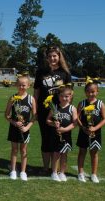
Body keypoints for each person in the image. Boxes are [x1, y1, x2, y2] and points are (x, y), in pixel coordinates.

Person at [34, 46, 71, 174]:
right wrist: (35, 110)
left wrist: (67, 110)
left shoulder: (65, 73)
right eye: (50, 56)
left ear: (59, 56)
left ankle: (59, 170)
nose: (52, 58)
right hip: (44, 111)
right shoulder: (41, 72)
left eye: (55, 56)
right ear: (47, 58)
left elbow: (70, 94)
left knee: (59, 139)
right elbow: (36, 93)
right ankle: (45, 167)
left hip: (60, 112)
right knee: (45, 139)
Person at [5, 73, 36, 181]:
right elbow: (7, 115)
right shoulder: (13, 98)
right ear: (16, 85)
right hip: (14, 128)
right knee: (14, 150)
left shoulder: (31, 99)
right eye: (19, 85)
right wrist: (13, 122)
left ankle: (23, 171)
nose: (21, 87)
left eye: (24, 85)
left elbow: (34, 116)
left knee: (23, 150)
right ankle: (13, 170)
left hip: (25, 129)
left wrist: (27, 127)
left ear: (28, 86)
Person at [76, 77, 105, 183]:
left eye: (93, 92)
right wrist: (83, 127)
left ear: (97, 91)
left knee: (94, 153)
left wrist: (95, 128)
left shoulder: (100, 104)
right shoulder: (82, 103)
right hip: (83, 132)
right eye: (88, 92)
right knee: (82, 152)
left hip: (96, 133)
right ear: (85, 92)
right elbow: (77, 118)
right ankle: (80, 173)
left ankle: (94, 174)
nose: (90, 94)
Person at [46, 85, 77, 182]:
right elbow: (47, 120)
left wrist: (65, 129)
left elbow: (75, 123)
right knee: (56, 154)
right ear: (59, 96)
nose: (64, 98)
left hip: (66, 135)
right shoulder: (54, 107)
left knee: (64, 154)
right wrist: (53, 124)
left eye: (67, 96)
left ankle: (62, 172)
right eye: (62, 96)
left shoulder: (72, 108)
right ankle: (54, 172)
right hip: (56, 136)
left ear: (70, 97)